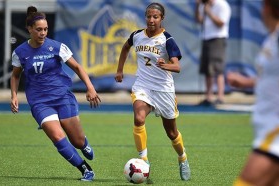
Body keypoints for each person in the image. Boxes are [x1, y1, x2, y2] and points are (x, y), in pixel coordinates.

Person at [10, 6, 101, 182]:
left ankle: (84, 144)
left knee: (77, 141)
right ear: (29, 29)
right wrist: (14, 95)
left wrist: (90, 87)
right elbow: (15, 75)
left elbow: (77, 67)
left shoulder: (57, 47)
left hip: (62, 97)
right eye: (38, 30)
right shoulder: (20, 52)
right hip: (39, 102)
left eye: (45, 29)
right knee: (58, 137)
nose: (43, 33)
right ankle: (85, 169)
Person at [115, 2, 191, 181]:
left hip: (164, 90)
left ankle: (182, 158)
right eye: (148, 16)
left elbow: (177, 66)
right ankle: (144, 160)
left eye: (155, 17)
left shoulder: (167, 40)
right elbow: (125, 47)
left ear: (161, 18)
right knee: (139, 117)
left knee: (172, 133)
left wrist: (167, 65)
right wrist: (120, 70)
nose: (151, 20)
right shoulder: (137, 36)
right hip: (143, 86)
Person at [227, 0, 279, 185]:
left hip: (278, 126)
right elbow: (271, 79)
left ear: (267, 8)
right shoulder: (273, 38)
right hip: (269, 125)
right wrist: (246, 82)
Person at [195, 0, 231, 106]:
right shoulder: (204, 5)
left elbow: (221, 23)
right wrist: (197, 7)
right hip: (206, 38)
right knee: (207, 69)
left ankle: (220, 97)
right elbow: (200, 20)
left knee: (217, 68)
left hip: (218, 38)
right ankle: (208, 97)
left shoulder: (222, 4)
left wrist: (209, 12)